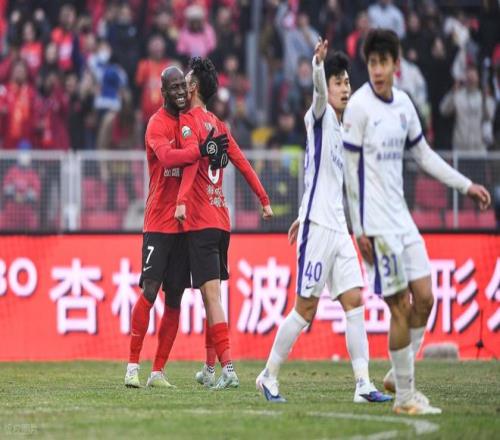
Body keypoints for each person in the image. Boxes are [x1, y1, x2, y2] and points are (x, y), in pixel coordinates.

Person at [342, 29, 491, 415]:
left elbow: (423, 155)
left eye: (383, 63)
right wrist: (359, 229)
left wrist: (465, 185)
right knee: (399, 307)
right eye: (371, 63)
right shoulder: (359, 108)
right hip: (376, 225)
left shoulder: (404, 105)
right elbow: (350, 173)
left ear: (396, 65)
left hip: (402, 220)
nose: (377, 70)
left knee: (426, 298)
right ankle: (405, 399)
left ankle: (398, 374)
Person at [255, 38, 392, 404]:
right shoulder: (319, 117)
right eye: (338, 82)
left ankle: (363, 384)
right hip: (318, 227)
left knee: (355, 301)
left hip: (338, 228)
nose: (345, 88)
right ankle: (268, 376)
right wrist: (318, 65)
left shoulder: (345, 130)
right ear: (326, 86)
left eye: (347, 82)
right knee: (305, 310)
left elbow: (322, 179)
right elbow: (318, 93)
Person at [124, 66, 229, 388]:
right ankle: (132, 366)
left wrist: (217, 156)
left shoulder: (191, 122)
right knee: (150, 290)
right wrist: (201, 150)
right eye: (174, 88)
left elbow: (209, 161)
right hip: (158, 221)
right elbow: (169, 158)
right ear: (163, 92)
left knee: (174, 299)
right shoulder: (156, 124)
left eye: (184, 86)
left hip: (186, 224)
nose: (181, 92)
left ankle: (157, 372)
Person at [174, 57, 273, 389]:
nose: (182, 85)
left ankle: (228, 369)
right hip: (221, 220)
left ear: (193, 87)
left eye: (186, 80)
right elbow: (242, 163)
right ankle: (209, 368)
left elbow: (191, 164)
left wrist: (182, 201)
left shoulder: (188, 122)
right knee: (209, 296)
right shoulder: (219, 124)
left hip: (201, 221)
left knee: (212, 297)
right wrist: (263, 199)